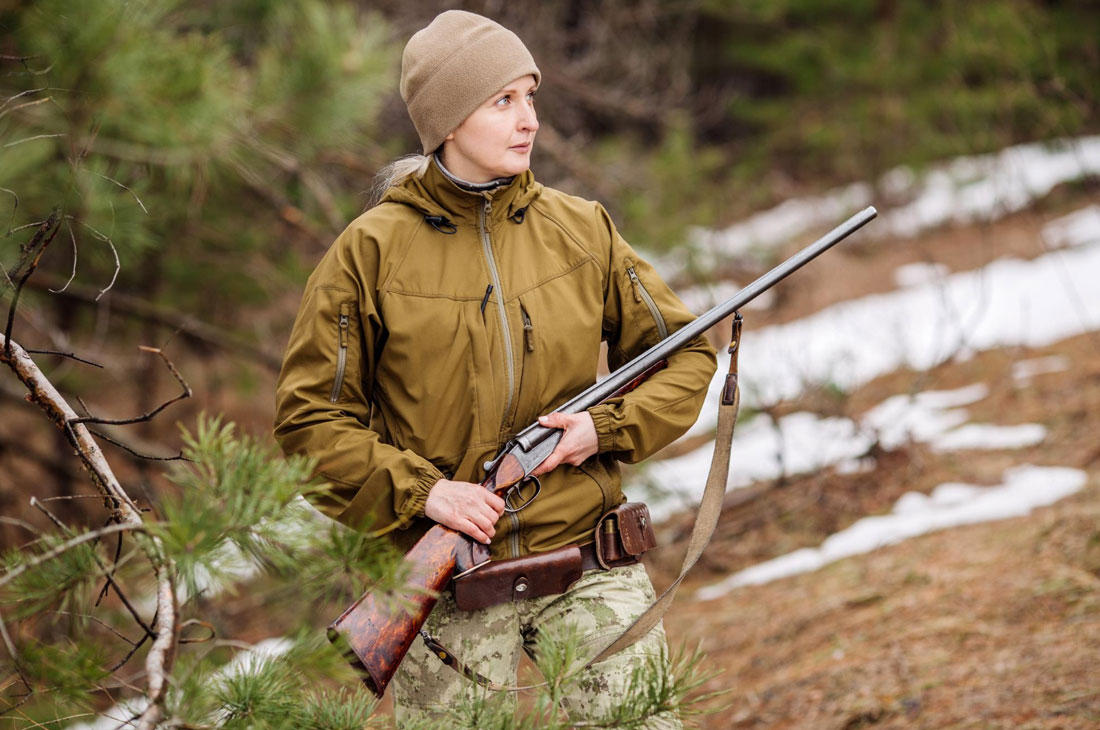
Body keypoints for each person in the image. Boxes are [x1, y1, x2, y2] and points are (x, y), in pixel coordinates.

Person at [274, 10, 716, 727]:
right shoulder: (368, 253)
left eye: (530, 96)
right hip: (450, 591)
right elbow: (309, 424)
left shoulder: (582, 228)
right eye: (502, 100)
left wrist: (601, 429)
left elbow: (687, 352)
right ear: (447, 120)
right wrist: (428, 495)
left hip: (590, 561)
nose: (529, 119)